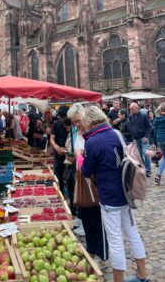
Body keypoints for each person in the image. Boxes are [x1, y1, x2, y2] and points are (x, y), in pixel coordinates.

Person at [81, 106, 149, 282]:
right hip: (126, 192)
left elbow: (86, 171)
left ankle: (118, 280)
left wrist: (83, 159)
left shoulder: (92, 142)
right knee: (132, 233)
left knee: (115, 240)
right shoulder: (115, 133)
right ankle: (142, 274)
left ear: (88, 122)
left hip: (109, 195)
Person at [68, 104, 108, 264]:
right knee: (86, 215)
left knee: (97, 217)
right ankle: (91, 249)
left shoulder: (93, 133)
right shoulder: (77, 133)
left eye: (78, 120)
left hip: (94, 181)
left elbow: (94, 156)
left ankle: (101, 252)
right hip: (81, 179)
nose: (76, 124)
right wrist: (74, 156)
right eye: (73, 122)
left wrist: (80, 156)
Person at [50, 106, 71, 195]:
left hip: (69, 156)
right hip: (58, 155)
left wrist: (66, 150)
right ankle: (60, 194)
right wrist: (56, 147)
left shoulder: (71, 124)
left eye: (64, 117)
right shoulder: (56, 124)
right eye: (60, 117)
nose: (62, 119)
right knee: (57, 177)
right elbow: (51, 139)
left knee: (69, 178)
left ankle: (69, 195)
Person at [129, 103, 152, 177]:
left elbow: (149, 127)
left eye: (132, 109)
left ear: (136, 108)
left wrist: (146, 136)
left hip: (143, 138)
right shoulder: (130, 116)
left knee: (145, 153)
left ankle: (148, 170)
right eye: (130, 109)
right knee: (139, 155)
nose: (130, 110)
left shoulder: (144, 116)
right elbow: (132, 127)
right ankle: (143, 169)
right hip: (136, 138)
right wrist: (133, 138)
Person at [154, 104, 165, 185]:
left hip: (159, 140)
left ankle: (158, 175)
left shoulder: (156, 119)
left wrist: (155, 142)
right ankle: (158, 174)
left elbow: (154, 131)